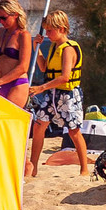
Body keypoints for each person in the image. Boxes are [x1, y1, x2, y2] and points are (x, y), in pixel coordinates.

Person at [26, 9, 91, 177]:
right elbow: (44, 68)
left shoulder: (68, 49)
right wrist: (37, 49)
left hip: (68, 95)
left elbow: (65, 77)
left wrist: (40, 88)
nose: (47, 34)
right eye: (46, 30)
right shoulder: (55, 46)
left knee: (73, 131)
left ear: (62, 29)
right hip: (52, 93)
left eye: (50, 30)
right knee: (39, 126)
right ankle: (33, 167)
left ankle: (84, 169)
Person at [0, 0, 33, 108]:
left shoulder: (23, 35)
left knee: (10, 121)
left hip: (17, 84)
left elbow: (23, 67)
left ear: (15, 15)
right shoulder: (0, 32)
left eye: (4, 18)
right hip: (0, 83)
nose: (1, 21)